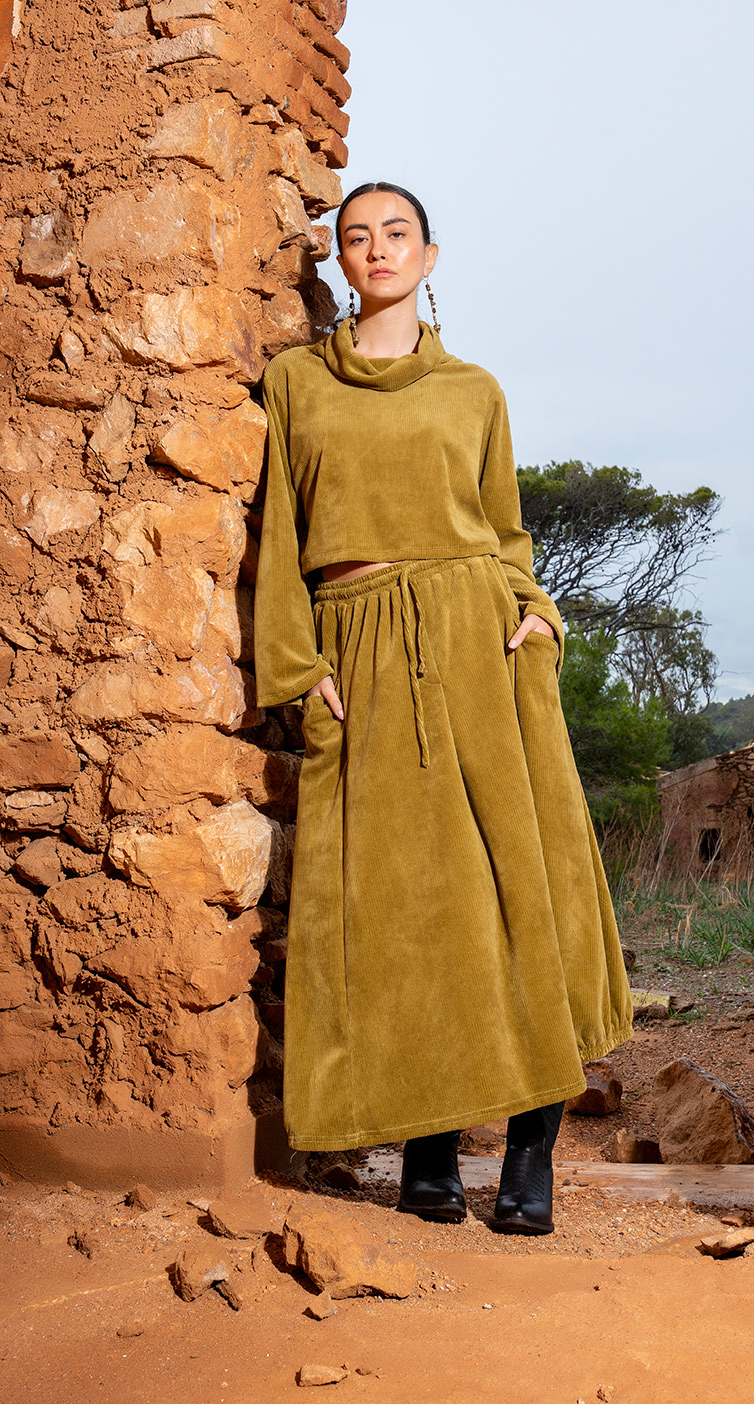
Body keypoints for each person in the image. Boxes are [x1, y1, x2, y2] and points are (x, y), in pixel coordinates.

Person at [254, 181, 632, 1236]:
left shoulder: (475, 392)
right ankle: (426, 1146)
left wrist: (539, 615)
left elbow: (506, 537)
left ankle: (530, 1148)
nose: (377, 249)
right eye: (356, 236)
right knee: (407, 910)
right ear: (340, 262)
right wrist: (298, 667)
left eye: (397, 234)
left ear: (429, 256)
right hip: (360, 648)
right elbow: (279, 535)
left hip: (479, 644)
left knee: (522, 891)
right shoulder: (295, 384)